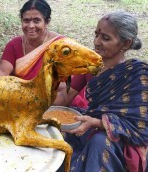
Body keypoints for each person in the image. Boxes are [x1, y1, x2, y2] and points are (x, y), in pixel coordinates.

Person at [56, 11, 148, 172]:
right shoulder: (90, 65)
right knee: (54, 130)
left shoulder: (137, 74)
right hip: (90, 124)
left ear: (126, 44)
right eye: (96, 35)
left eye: (105, 38)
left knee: (99, 142)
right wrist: (38, 104)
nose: (97, 42)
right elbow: (65, 96)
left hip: (121, 139)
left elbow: (139, 126)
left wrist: (98, 123)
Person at [0, 0, 62, 80]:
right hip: (19, 92)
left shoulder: (61, 45)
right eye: (26, 21)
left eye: (37, 20)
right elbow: (3, 70)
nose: (31, 26)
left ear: (47, 22)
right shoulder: (14, 45)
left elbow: (67, 81)